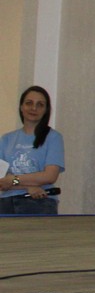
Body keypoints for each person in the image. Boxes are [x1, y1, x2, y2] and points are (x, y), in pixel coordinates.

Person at [0, 86, 64, 215]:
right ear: (21, 107)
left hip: (40, 203)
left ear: (46, 110)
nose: (34, 108)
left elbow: (50, 176)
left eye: (40, 105)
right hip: (6, 204)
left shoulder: (53, 137)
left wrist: (13, 180)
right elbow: (2, 180)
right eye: (29, 103)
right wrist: (28, 186)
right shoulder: (6, 139)